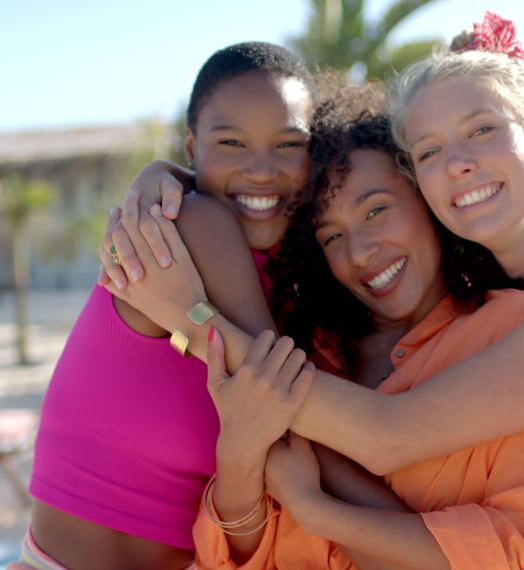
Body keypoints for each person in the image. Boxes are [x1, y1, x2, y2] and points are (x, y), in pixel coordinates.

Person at [101, 13, 524, 570]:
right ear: (420, 184)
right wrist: (170, 177)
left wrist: (188, 318)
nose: (458, 163)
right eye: (430, 150)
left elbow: (387, 434)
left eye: (482, 130)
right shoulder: (482, 303)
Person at [190, 95, 524, 569]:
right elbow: (240, 556)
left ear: (426, 200)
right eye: (332, 237)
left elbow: (510, 554)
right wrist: (238, 456)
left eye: (375, 212)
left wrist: (315, 509)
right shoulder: (308, 354)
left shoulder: (515, 333)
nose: (359, 253)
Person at [22, 41, 317, 570]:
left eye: (288, 144)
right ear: (191, 145)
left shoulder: (300, 266)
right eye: (231, 142)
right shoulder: (189, 226)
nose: (261, 170)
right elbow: (273, 396)